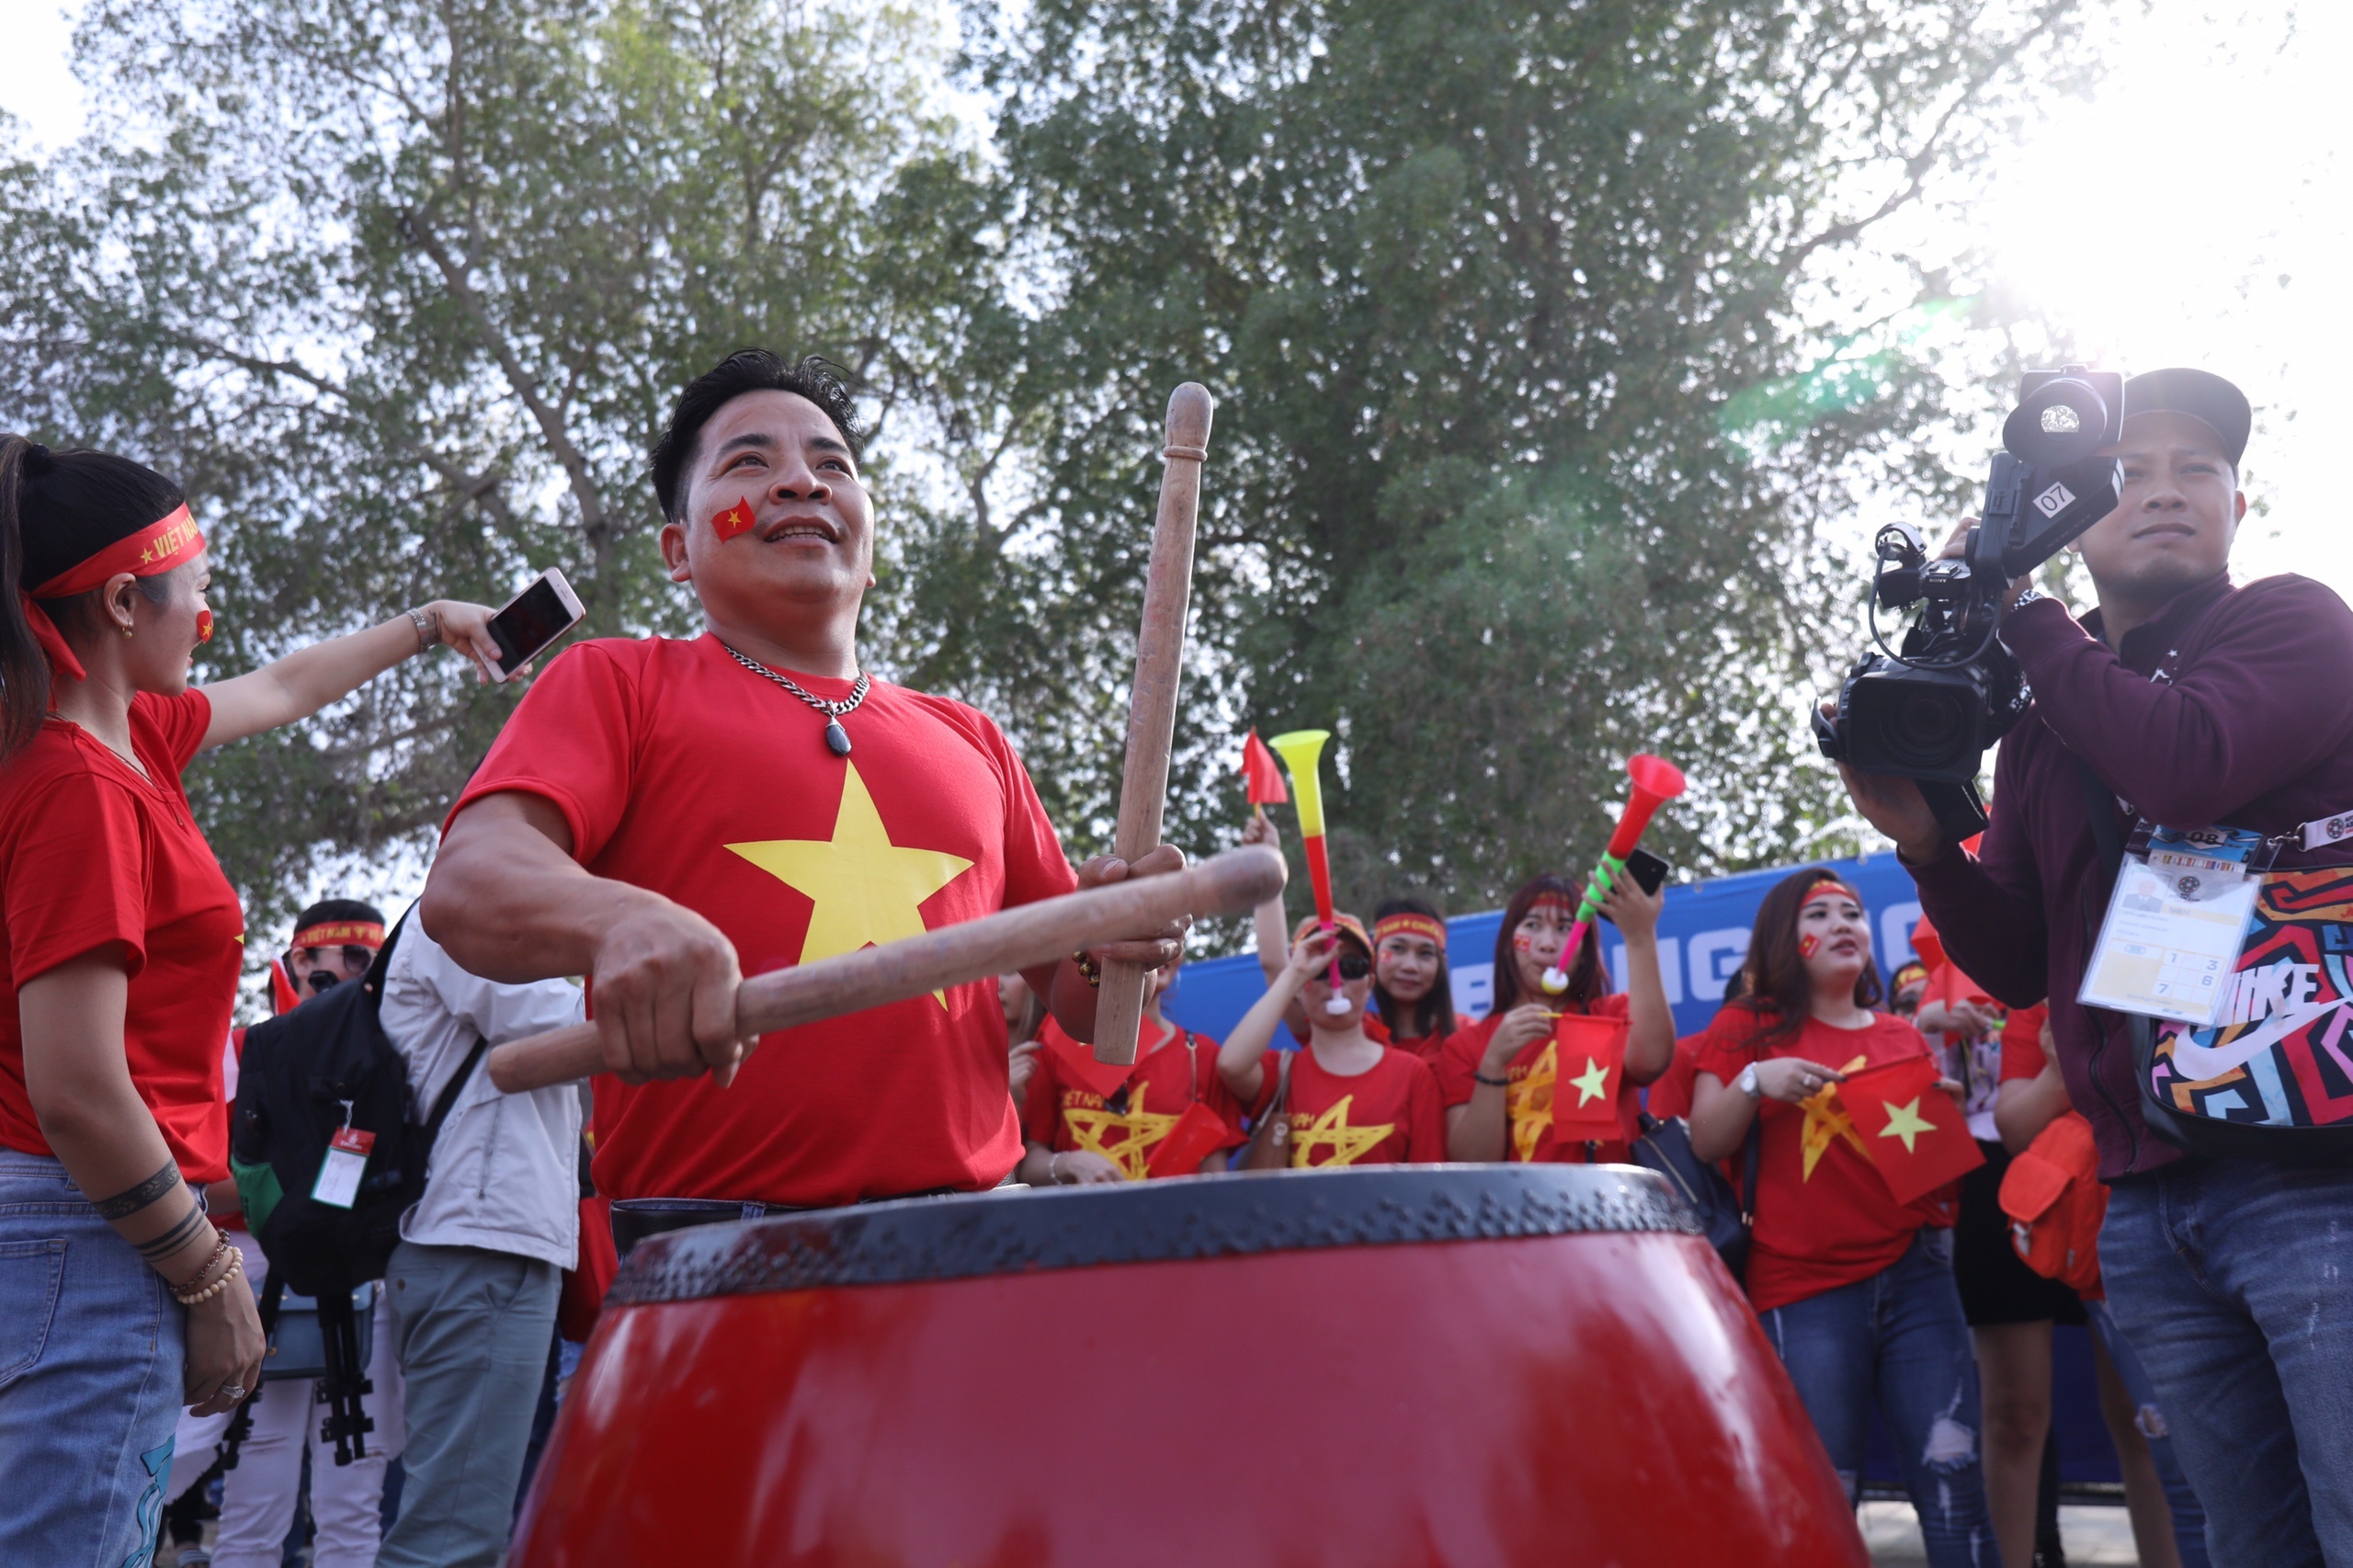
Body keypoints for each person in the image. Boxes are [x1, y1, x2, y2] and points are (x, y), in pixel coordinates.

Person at [420, 352, 1182, 1242]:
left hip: (971, 1241)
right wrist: (618, 921)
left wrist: (1119, 939)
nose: (798, 482)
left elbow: (1086, 1003)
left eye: (832, 466)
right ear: (679, 548)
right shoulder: (620, 681)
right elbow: (470, 881)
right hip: (712, 1249)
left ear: (868, 535)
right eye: (749, 464)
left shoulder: (970, 738)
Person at [1837, 369, 2353, 1561]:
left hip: (2313, 1178)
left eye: (2197, 468)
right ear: (2075, 514)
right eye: (2127, 472)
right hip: (2142, 1206)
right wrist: (1926, 845)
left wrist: (2023, 611)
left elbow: (2187, 761)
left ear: (2238, 501)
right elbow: (2019, 961)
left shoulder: (2293, 619)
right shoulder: (2041, 720)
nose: (2166, 491)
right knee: (2243, 1541)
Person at [0, 436, 508, 1564]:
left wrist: (429, 621)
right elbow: (79, 1086)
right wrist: (207, 1269)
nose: (210, 618)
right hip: (81, 1227)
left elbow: (287, 684)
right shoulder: (81, 785)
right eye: (201, 590)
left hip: (73, 1222)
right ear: (128, 600)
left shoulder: (127, 738)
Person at [1686, 869, 1995, 1566]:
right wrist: (1752, 1081)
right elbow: (1707, 1140)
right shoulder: (1747, 1027)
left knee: (1954, 1481)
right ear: (1782, 940)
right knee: (1825, 1490)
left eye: (1851, 913)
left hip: (1920, 1280)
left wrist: (1936, 1118)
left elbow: (1933, 1182)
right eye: (1818, 914)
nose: (1841, 924)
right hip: (1802, 1291)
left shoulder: (1899, 1034)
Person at [373, 916, 585, 1568]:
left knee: (459, 1527)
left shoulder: (487, 925)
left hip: (478, 1247)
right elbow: (568, 1019)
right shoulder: (464, 918)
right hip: (477, 1249)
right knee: (451, 1542)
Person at [1995, 1006, 2207, 1568]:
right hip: (2116, 1238)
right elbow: (2014, 1128)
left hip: (2249, 1202)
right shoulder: (2037, 995)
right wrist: (2059, 1073)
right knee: (2178, 1459)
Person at [1438, 870, 1673, 1164]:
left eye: (1565, 928)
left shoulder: (1611, 1014)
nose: (1547, 943)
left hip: (1609, 1205)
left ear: (1585, 952)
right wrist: (1493, 1064)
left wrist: (1640, 938)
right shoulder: (1466, 1045)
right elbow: (1472, 1162)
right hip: (1518, 1207)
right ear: (1510, 944)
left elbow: (1652, 1062)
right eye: (1533, 925)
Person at [1219, 915, 1446, 1167]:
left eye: (1351, 966)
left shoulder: (1413, 1074)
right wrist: (1294, 974)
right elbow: (1231, 1065)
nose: (1335, 979)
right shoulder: (1281, 1073)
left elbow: (1427, 1179)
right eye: (1319, 969)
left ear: (1369, 984)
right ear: (1298, 989)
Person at [1017, 959, 1244, 1183]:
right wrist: (1070, 1163)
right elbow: (1029, 1163)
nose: (1162, 950)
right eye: (1140, 935)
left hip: (1174, 1216)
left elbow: (1215, 1177)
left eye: (1175, 938)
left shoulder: (1201, 1055)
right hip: (1079, 1216)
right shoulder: (1059, 1045)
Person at [1363, 898, 1468, 1067]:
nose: (1410, 966)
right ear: (1374, 956)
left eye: (1425, 953)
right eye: (1397, 948)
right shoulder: (1356, 1033)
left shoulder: (1467, 1033)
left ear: (1441, 964)